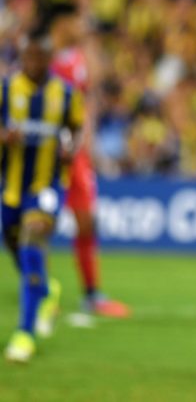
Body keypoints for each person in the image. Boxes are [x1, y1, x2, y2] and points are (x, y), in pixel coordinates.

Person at [1, 30, 84, 363]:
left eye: (39, 56)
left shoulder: (65, 93)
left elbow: (77, 127)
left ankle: (25, 333)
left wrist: (71, 148)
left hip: (47, 185)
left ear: (49, 59)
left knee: (33, 240)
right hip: (11, 187)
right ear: (22, 57)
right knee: (16, 246)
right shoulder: (7, 89)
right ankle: (46, 290)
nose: (33, 62)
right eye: (28, 56)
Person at [49, 3, 130, 318]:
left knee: (86, 221)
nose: (81, 26)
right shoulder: (44, 58)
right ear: (61, 22)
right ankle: (40, 290)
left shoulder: (77, 58)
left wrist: (89, 147)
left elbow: (94, 87)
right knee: (38, 221)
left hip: (76, 154)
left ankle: (92, 293)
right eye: (76, 21)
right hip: (47, 151)